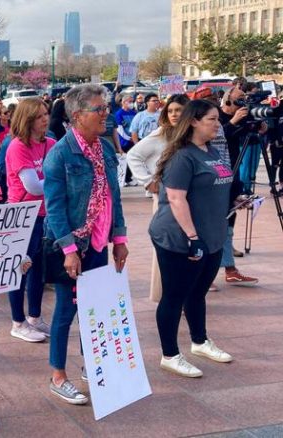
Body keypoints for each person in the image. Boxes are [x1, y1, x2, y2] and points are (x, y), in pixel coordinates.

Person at [43, 84, 128, 405]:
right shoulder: (60, 156)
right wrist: (68, 250)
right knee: (66, 310)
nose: (106, 113)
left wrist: (119, 239)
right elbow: (55, 208)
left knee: (95, 308)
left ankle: (93, 364)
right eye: (99, 109)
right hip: (70, 245)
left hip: (98, 243)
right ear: (78, 116)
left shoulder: (105, 149)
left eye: (106, 108)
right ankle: (58, 375)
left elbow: (113, 198)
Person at [148, 99, 239, 377]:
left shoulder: (211, 151)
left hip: (212, 235)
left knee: (197, 293)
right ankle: (170, 354)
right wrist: (192, 236)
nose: (218, 123)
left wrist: (238, 197)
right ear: (194, 122)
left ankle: (199, 341)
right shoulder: (182, 156)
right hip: (180, 238)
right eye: (212, 119)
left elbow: (218, 184)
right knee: (175, 296)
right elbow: (176, 198)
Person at [127, 94, 190, 301]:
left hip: (190, 199)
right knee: (168, 248)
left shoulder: (191, 136)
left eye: (179, 110)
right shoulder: (161, 134)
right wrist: (148, 181)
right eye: (170, 111)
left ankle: (185, 294)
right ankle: (166, 296)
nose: (174, 114)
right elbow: (133, 155)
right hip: (165, 201)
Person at [5, 98, 55, 343]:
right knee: (20, 268)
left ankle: (35, 317)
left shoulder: (52, 144)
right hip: (22, 215)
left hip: (46, 214)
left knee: (39, 269)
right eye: (38, 115)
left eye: (46, 113)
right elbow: (33, 186)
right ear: (27, 119)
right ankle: (18, 321)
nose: (44, 119)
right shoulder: (17, 147)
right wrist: (56, 182)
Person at [218, 85, 261, 286]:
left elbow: (253, 134)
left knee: (229, 218)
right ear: (227, 101)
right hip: (216, 174)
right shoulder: (215, 116)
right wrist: (233, 122)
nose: (241, 104)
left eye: (244, 100)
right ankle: (210, 273)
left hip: (232, 173)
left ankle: (230, 268)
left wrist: (260, 125)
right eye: (238, 101)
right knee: (214, 225)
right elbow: (216, 138)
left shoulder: (242, 116)